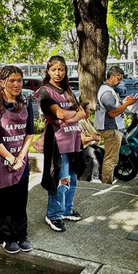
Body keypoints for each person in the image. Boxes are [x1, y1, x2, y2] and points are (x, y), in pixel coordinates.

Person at [0, 65, 36, 253]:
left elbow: (30, 133)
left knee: (20, 200)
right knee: (3, 202)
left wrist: (20, 158)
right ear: (2, 82)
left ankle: (21, 235)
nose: (16, 84)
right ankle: (5, 236)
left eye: (19, 80)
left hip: (21, 162)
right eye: (12, 80)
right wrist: (11, 158)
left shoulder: (25, 101)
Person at [38, 55, 87, 232]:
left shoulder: (67, 90)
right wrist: (77, 116)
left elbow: (81, 111)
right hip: (57, 142)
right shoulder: (45, 91)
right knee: (60, 177)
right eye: (54, 69)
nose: (58, 73)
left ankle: (66, 209)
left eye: (61, 69)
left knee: (72, 176)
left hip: (73, 139)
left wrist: (76, 115)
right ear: (48, 71)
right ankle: (54, 214)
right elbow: (59, 114)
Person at [96, 66, 137, 184]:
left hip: (110, 127)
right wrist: (126, 104)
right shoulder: (107, 92)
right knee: (111, 160)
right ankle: (106, 185)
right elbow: (113, 113)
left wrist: (124, 102)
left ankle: (107, 181)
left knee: (110, 158)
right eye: (119, 79)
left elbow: (113, 108)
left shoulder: (107, 90)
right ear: (112, 76)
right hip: (111, 128)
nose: (120, 82)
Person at [78, 103, 104, 182]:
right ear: (84, 111)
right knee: (94, 157)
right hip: (85, 146)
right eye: (88, 109)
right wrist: (93, 137)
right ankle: (94, 178)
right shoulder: (80, 122)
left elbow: (95, 134)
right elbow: (83, 139)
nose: (90, 111)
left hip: (92, 144)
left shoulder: (87, 121)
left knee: (102, 152)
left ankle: (100, 175)